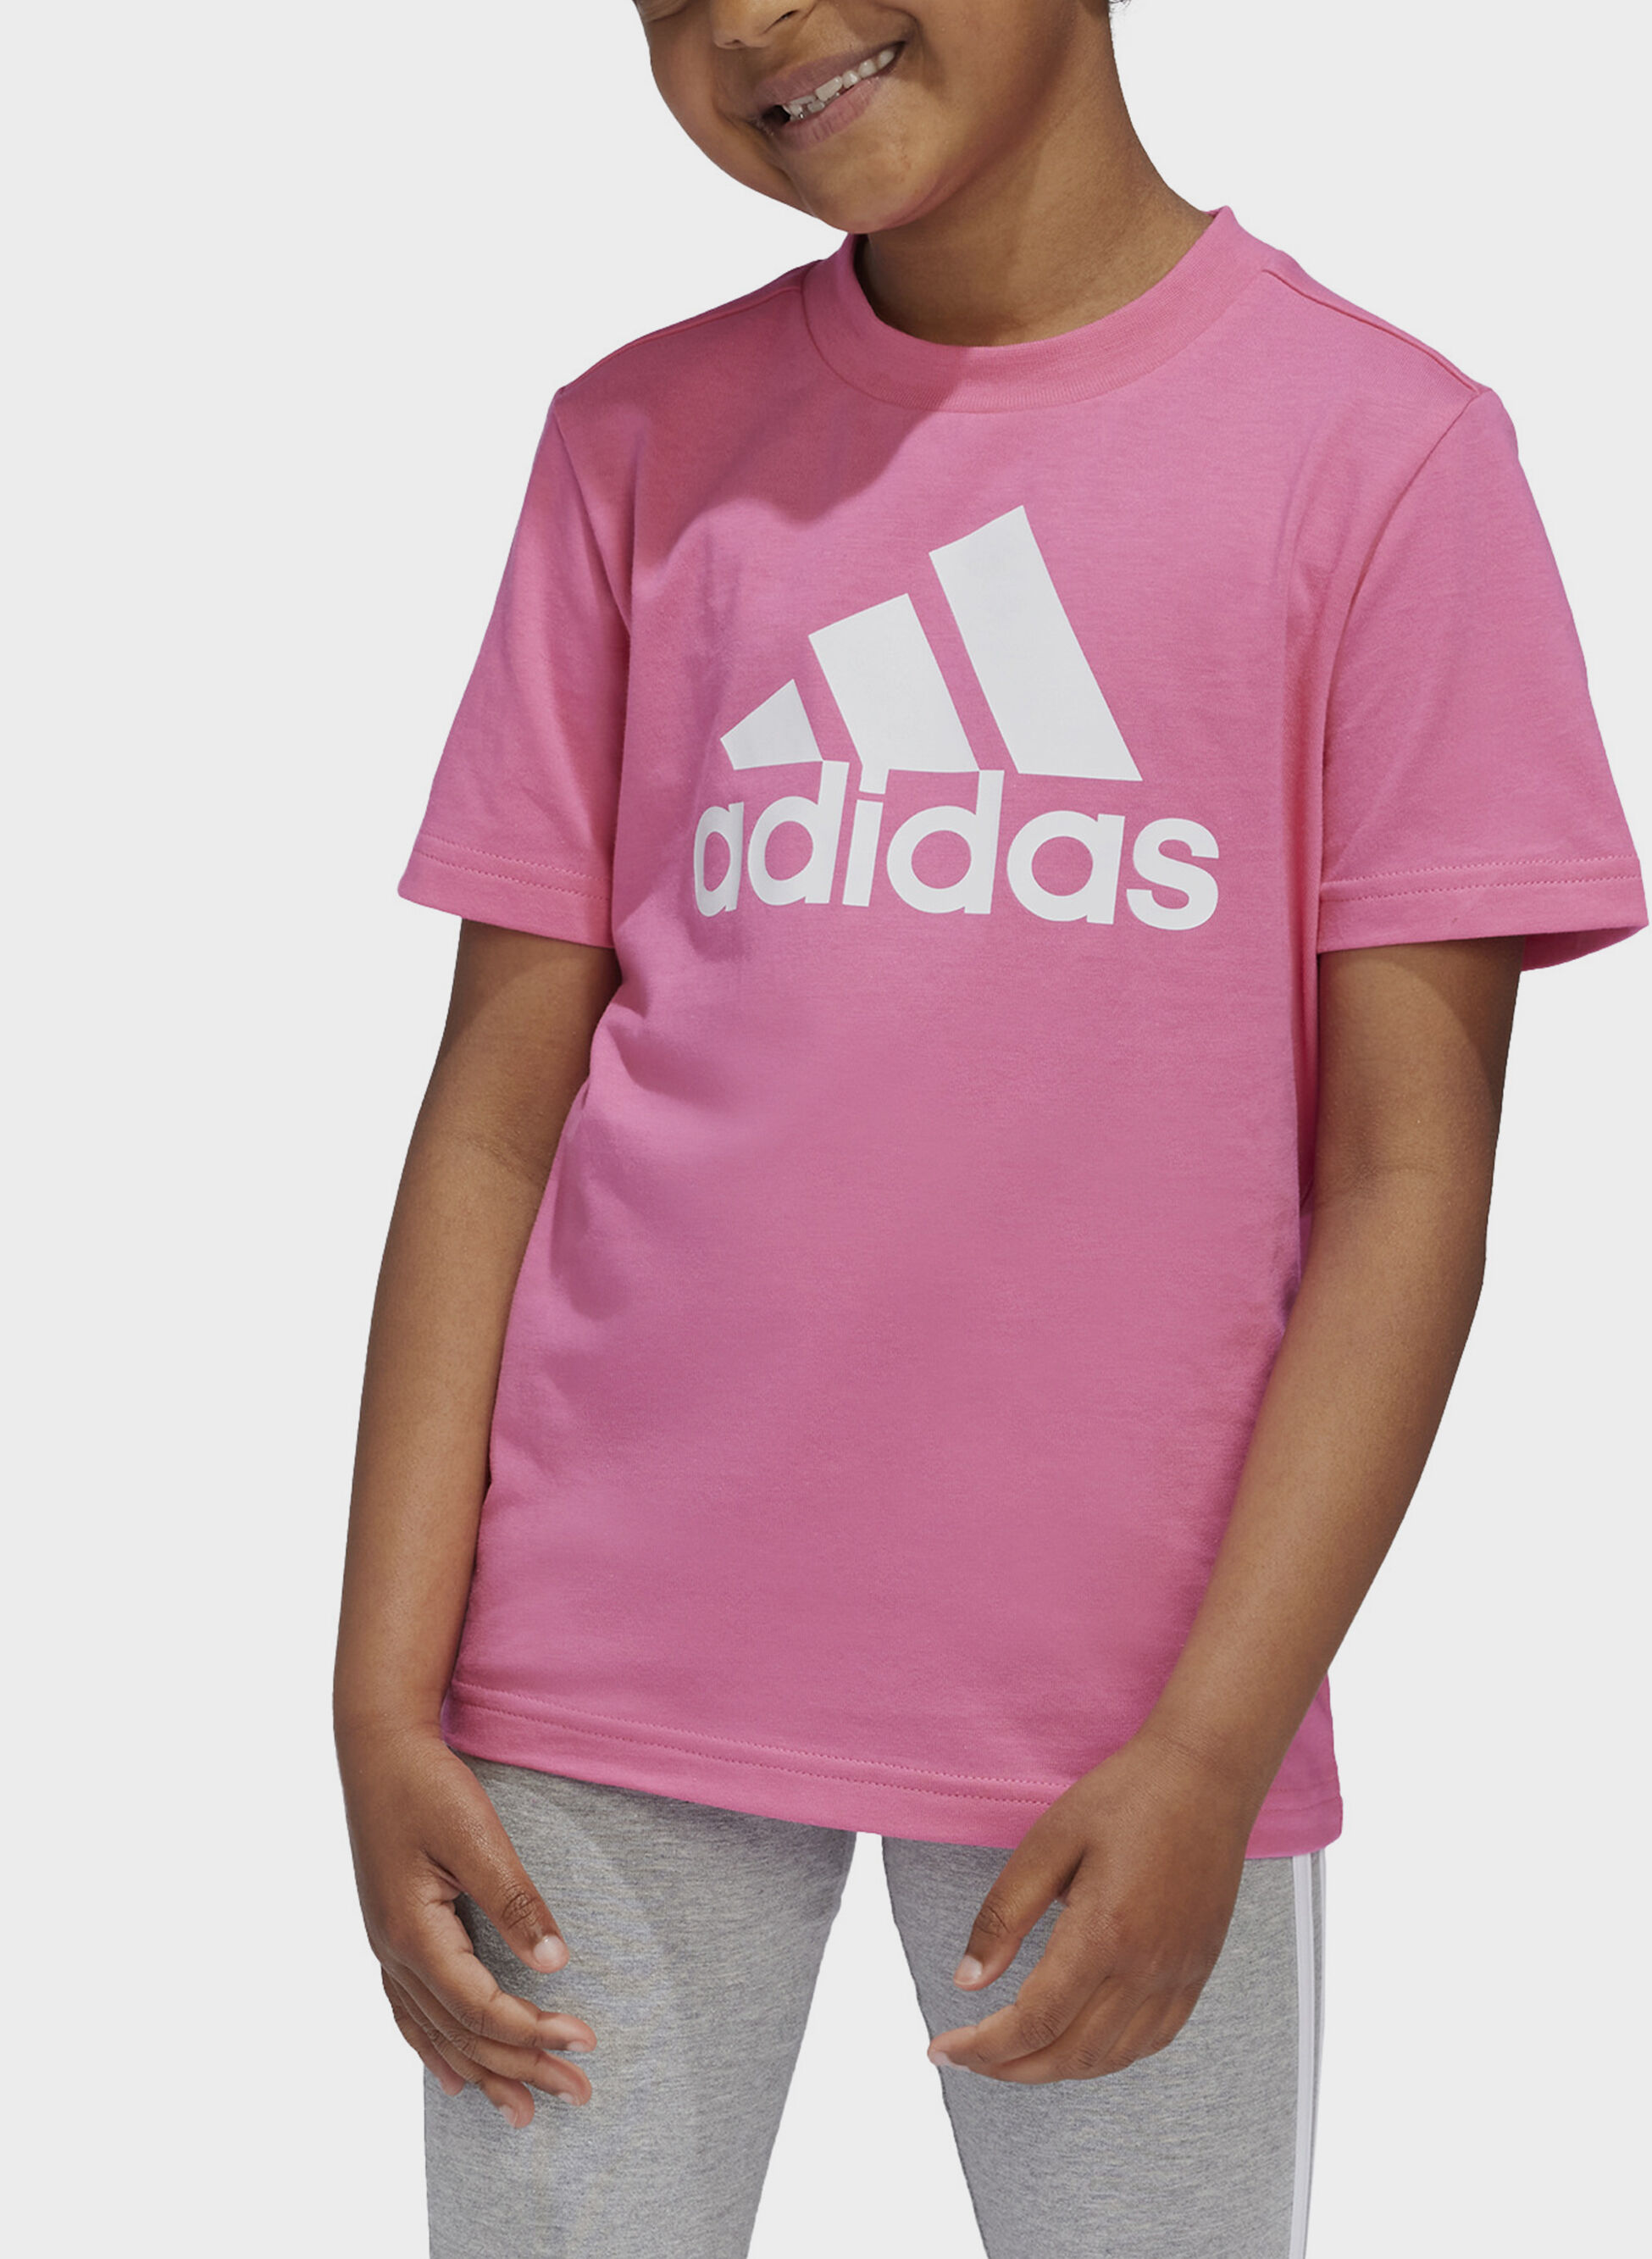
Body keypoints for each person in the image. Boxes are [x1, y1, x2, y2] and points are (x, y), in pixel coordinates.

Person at [333, 4, 1646, 2253]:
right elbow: (493, 1111)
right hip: (589, 1681)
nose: (750, 18)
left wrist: (1216, 1740)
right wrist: (380, 1688)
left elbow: (1408, 1181)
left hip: (1126, 1708)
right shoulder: (636, 445)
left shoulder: (1382, 458)